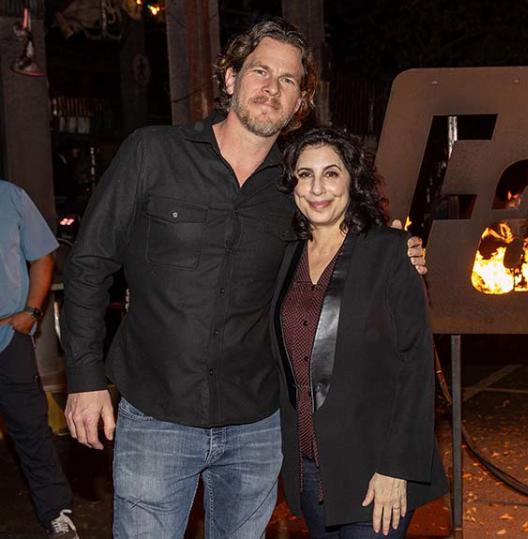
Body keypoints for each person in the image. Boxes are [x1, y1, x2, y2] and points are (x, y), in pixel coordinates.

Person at [61, 18, 424, 538]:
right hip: (157, 416)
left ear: (301, 101)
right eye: (259, 71)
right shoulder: (153, 153)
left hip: (255, 426)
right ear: (229, 78)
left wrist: (400, 248)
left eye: (288, 79)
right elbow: (89, 264)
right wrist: (85, 377)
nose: (271, 88)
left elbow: (348, 242)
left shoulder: (294, 187)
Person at [274, 128, 446, 538]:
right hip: (311, 471)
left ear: (352, 181)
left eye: (331, 174)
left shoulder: (390, 251)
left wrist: (396, 467)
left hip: (375, 471)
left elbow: (415, 363)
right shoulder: (286, 257)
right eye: (304, 174)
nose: (317, 188)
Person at [0, 179, 78, 538]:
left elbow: (42, 256)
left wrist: (31, 311)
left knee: (31, 429)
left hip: (6, 339)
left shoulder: (10, 196)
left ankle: (56, 513)